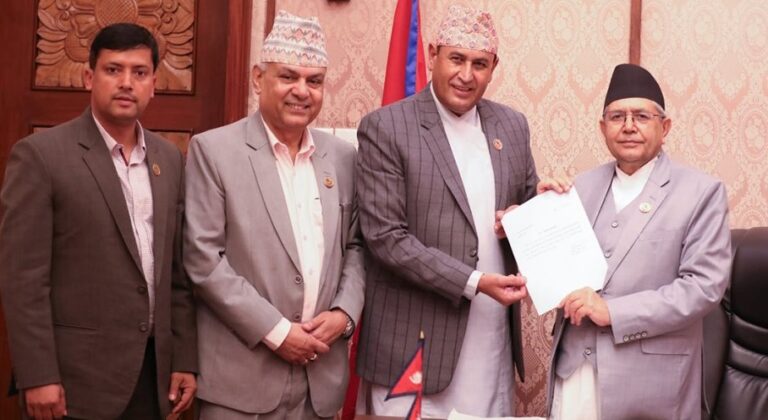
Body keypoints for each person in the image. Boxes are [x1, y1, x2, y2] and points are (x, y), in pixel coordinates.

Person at [354, 5, 548, 417]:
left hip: (490, 339)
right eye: (456, 59)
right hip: (412, 347)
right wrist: (474, 282)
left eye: (479, 64)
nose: (466, 75)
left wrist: (536, 209)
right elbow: (386, 238)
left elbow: (526, 207)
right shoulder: (387, 128)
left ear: (493, 68)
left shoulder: (512, 126)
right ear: (432, 54)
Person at [0, 23, 198, 420]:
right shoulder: (40, 156)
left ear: (154, 84)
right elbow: (23, 279)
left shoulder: (169, 159)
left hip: (153, 378)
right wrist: (38, 375)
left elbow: (177, 274)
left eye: (139, 72)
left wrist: (184, 358)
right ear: (89, 77)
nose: (126, 82)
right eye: (113, 69)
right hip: (73, 384)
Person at [183, 10, 365, 420]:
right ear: (257, 77)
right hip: (240, 383)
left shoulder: (342, 157)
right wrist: (278, 332)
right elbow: (203, 260)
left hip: (321, 381)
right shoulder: (215, 152)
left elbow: (357, 246)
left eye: (314, 81)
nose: (302, 91)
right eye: (288, 77)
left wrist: (344, 314)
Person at [547, 63, 732, 419]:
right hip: (574, 374)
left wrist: (612, 312)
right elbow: (552, 272)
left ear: (665, 127)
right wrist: (531, 216)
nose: (628, 126)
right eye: (617, 116)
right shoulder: (578, 187)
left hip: (651, 384)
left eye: (642, 116)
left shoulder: (701, 192)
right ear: (602, 127)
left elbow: (703, 287)